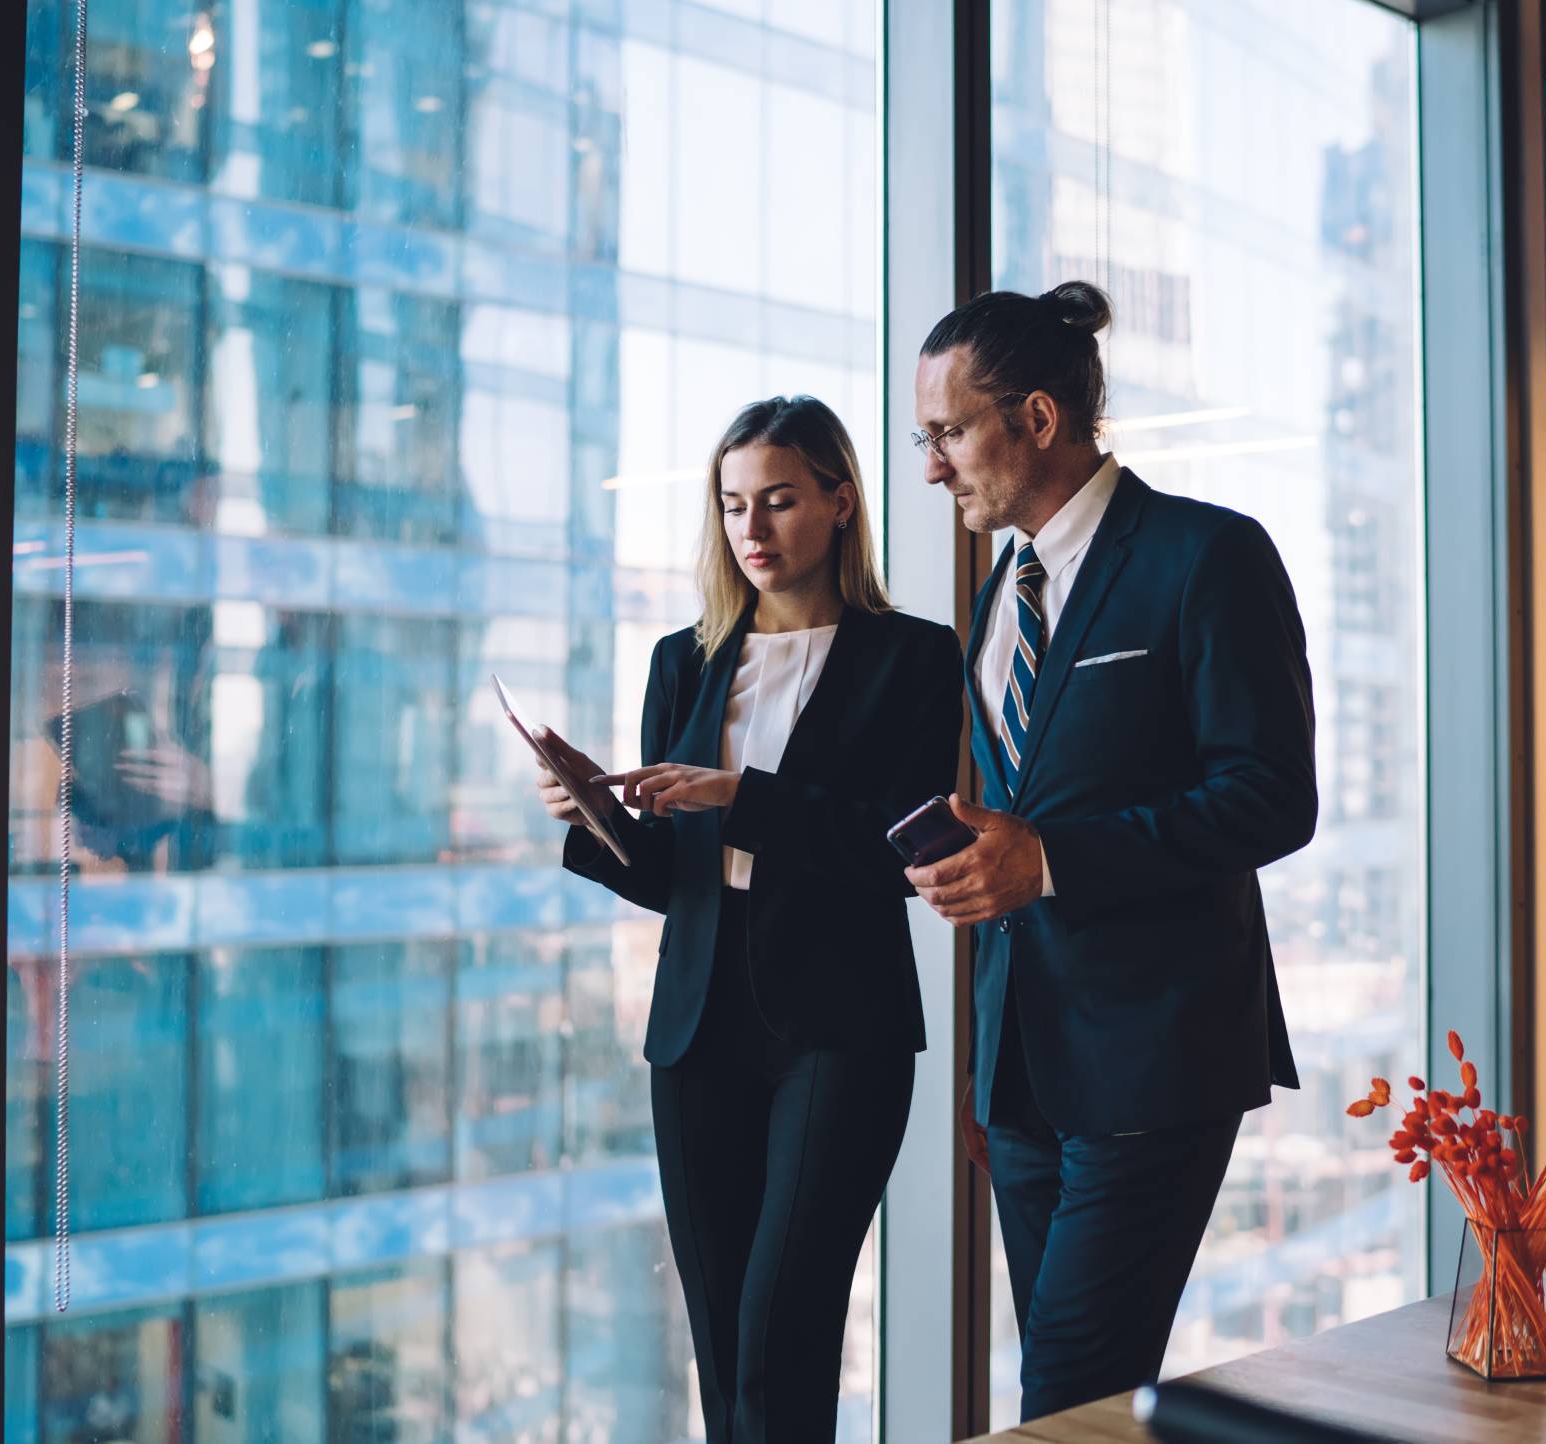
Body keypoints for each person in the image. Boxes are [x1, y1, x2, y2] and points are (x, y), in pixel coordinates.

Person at [905, 282, 1318, 1420]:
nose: (931, 467)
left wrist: (1048, 859)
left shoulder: (1207, 556)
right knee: (1071, 1408)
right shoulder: (998, 592)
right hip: (1024, 1074)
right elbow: (1015, 809)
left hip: (1156, 1054)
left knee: (1070, 1385)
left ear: (1036, 419)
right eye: (923, 439)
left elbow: (1271, 797)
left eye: (946, 433)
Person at [533, 395, 963, 1443]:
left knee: (783, 1333)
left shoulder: (912, 656)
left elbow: (899, 853)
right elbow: (672, 877)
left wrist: (740, 796)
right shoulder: (684, 659)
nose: (752, 530)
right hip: (697, 1026)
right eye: (732, 507)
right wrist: (594, 819)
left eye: (777, 500)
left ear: (840, 501)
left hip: (837, 1031)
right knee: (724, 1352)